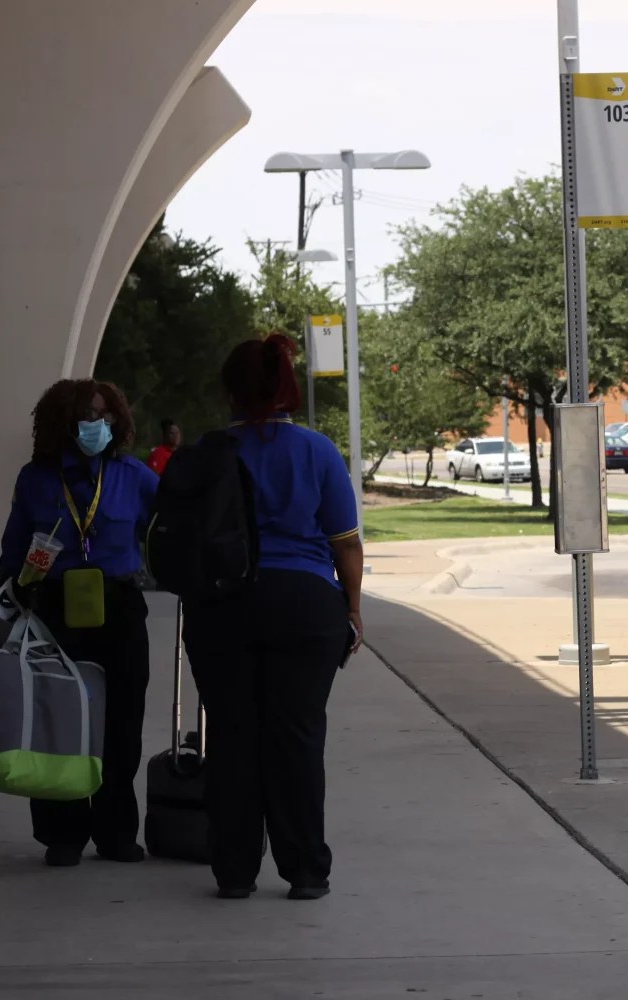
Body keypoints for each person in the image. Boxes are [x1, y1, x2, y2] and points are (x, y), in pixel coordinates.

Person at [183, 333, 362, 901]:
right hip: (306, 605)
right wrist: (352, 609)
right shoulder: (317, 452)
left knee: (233, 737)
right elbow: (346, 544)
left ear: (230, 389)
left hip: (223, 606)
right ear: (287, 387)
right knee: (297, 738)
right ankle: (306, 870)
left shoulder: (208, 454)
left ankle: (234, 870)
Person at [0, 378, 158, 867]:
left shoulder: (134, 476)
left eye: (106, 415)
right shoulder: (36, 479)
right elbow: (14, 549)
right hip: (55, 606)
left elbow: (172, 525)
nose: (99, 424)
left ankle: (116, 832)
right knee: (57, 717)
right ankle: (62, 832)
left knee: (123, 720)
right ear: (64, 423)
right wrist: (15, 594)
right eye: (89, 416)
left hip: (120, 605)